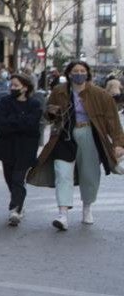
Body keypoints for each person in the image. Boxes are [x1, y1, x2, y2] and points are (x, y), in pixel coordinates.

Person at [28, 60, 124, 231]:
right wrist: (51, 113)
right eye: (75, 71)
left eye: (82, 70)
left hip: (89, 135)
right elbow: (49, 115)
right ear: (69, 74)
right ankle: (63, 214)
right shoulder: (59, 91)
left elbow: (112, 121)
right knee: (62, 174)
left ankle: (87, 207)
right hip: (64, 136)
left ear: (87, 73)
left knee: (90, 173)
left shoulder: (100, 94)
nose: (79, 74)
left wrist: (118, 143)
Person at [0, 74, 42, 226]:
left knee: (18, 179)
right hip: (7, 147)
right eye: (11, 85)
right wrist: (20, 123)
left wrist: (12, 122)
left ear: (25, 87)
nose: (12, 88)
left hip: (26, 148)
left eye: (16, 86)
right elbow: (0, 123)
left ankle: (15, 209)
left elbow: (32, 124)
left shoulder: (34, 104)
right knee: (9, 178)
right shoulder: (5, 102)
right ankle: (18, 202)